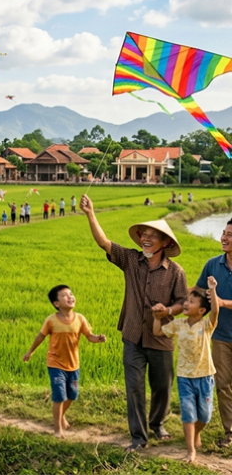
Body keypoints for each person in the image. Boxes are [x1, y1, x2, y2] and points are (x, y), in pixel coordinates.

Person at [81, 193, 187, 451]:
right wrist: (90, 213)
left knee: (162, 386)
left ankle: (157, 422)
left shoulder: (175, 271)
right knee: (135, 389)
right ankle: (138, 437)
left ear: (164, 242)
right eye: (143, 234)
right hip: (132, 335)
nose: (146, 238)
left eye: (152, 235)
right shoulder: (130, 259)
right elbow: (104, 242)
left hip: (161, 337)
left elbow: (183, 303)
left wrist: (166, 311)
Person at [23, 284, 106, 438]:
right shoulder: (51, 321)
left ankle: (61, 415)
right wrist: (30, 352)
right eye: (65, 295)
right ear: (56, 303)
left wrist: (98, 339)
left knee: (72, 395)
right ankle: (57, 430)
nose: (70, 296)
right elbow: (40, 336)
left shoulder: (80, 319)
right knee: (59, 395)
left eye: (71, 294)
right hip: (55, 364)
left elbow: (89, 336)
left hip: (73, 365)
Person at [154, 278, 219, 463]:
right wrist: (157, 318)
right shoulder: (178, 325)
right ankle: (191, 451)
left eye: (191, 302)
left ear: (201, 311)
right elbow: (158, 332)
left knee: (205, 416)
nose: (186, 303)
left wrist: (212, 290)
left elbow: (215, 311)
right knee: (188, 414)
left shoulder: (206, 325)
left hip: (205, 376)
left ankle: (196, 433)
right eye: (186, 300)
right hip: (185, 378)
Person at [191, 219, 232, 448]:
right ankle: (230, 431)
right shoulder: (212, 264)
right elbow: (199, 291)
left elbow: (218, 300)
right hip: (220, 336)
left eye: (230, 235)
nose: (224, 238)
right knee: (224, 383)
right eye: (223, 233)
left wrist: (223, 302)